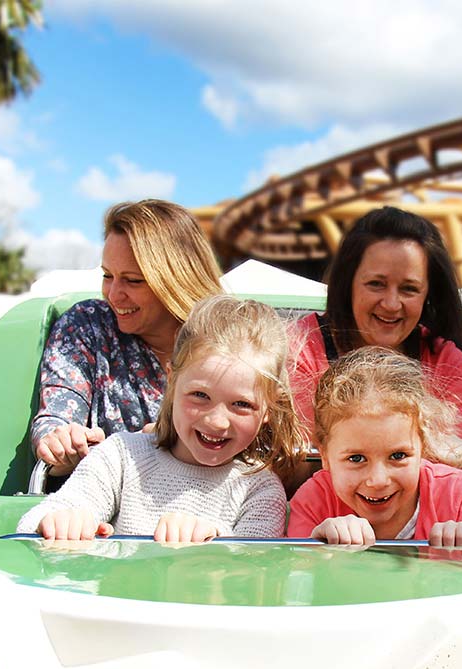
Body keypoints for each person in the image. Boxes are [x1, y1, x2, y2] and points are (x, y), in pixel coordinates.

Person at [17, 296, 307, 541]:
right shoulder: (122, 456)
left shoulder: (259, 488)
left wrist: (216, 543)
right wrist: (61, 521)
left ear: (269, 407)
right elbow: (34, 521)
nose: (217, 421)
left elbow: (255, 577)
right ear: (172, 380)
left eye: (241, 404)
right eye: (200, 396)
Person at [291, 205, 462, 479]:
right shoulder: (302, 347)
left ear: (428, 295)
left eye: (409, 289)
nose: (391, 304)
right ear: (348, 283)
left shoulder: (446, 361)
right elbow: (293, 465)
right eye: (376, 284)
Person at [31, 198, 223, 477]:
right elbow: (56, 418)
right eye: (108, 275)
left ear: (177, 280)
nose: (113, 294)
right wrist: (59, 442)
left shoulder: (229, 339)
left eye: (133, 280)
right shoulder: (86, 325)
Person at [287, 347, 462, 546]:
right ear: (325, 456)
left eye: (398, 455)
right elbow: (301, 580)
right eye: (356, 458)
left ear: (422, 447)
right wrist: (316, 554)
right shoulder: (312, 504)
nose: (378, 480)